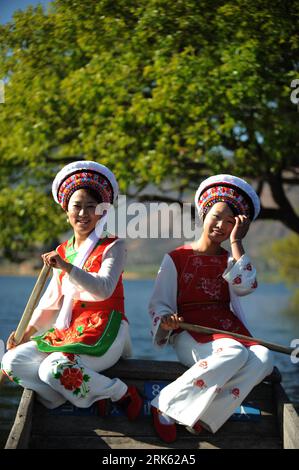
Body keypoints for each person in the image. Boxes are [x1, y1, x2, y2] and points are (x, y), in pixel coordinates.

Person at [1, 160, 143, 420]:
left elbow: (103, 289)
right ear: (66, 210)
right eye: (77, 206)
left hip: (105, 328)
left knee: (52, 369)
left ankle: (118, 392)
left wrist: (67, 267)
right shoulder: (64, 250)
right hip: (68, 330)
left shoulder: (113, 246)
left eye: (92, 207)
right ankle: (85, 398)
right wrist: (25, 334)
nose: (83, 213)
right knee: (12, 362)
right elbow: (50, 302)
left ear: (102, 212)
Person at [148, 174, 273, 443]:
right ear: (203, 215)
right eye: (216, 216)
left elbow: (247, 285)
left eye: (230, 223)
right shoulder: (176, 258)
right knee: (235, 352)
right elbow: (159, 303)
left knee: (264, 358)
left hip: (228, 330)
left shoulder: (231, 260)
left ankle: (205, 417)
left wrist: (237, 243)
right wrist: (166, 321)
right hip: (190, 332)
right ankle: (164, 403)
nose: (221, 225)